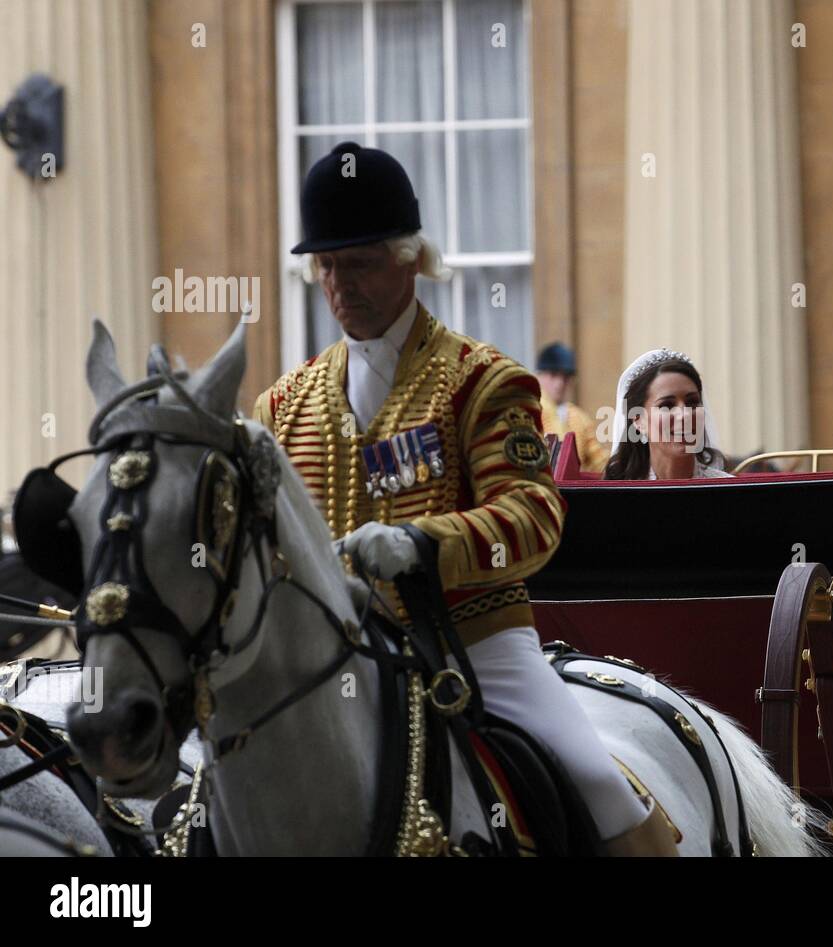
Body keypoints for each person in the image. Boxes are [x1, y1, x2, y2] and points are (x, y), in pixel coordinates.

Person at [254, 142, 674, 855]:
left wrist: (425, 544)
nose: (337, 285)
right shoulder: (281, 407)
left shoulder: (482, 381)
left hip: (474, 645)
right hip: (328, 663)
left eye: (357, 263)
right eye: (325, 266)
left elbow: (535, 515)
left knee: (599, 785)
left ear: (410, 259)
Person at [603, 348, 732, 481]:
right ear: (638, 420)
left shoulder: (730, 489)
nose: (684, 415)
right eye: (667, 405)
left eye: (692, 402)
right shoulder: (619, 493)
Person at [535, 342, 608, 474]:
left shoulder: (580, 418)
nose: (559, 383)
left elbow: (599, 462)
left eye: (565, 377)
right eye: (553, 375)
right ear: (539, 376)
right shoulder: (529, 410)